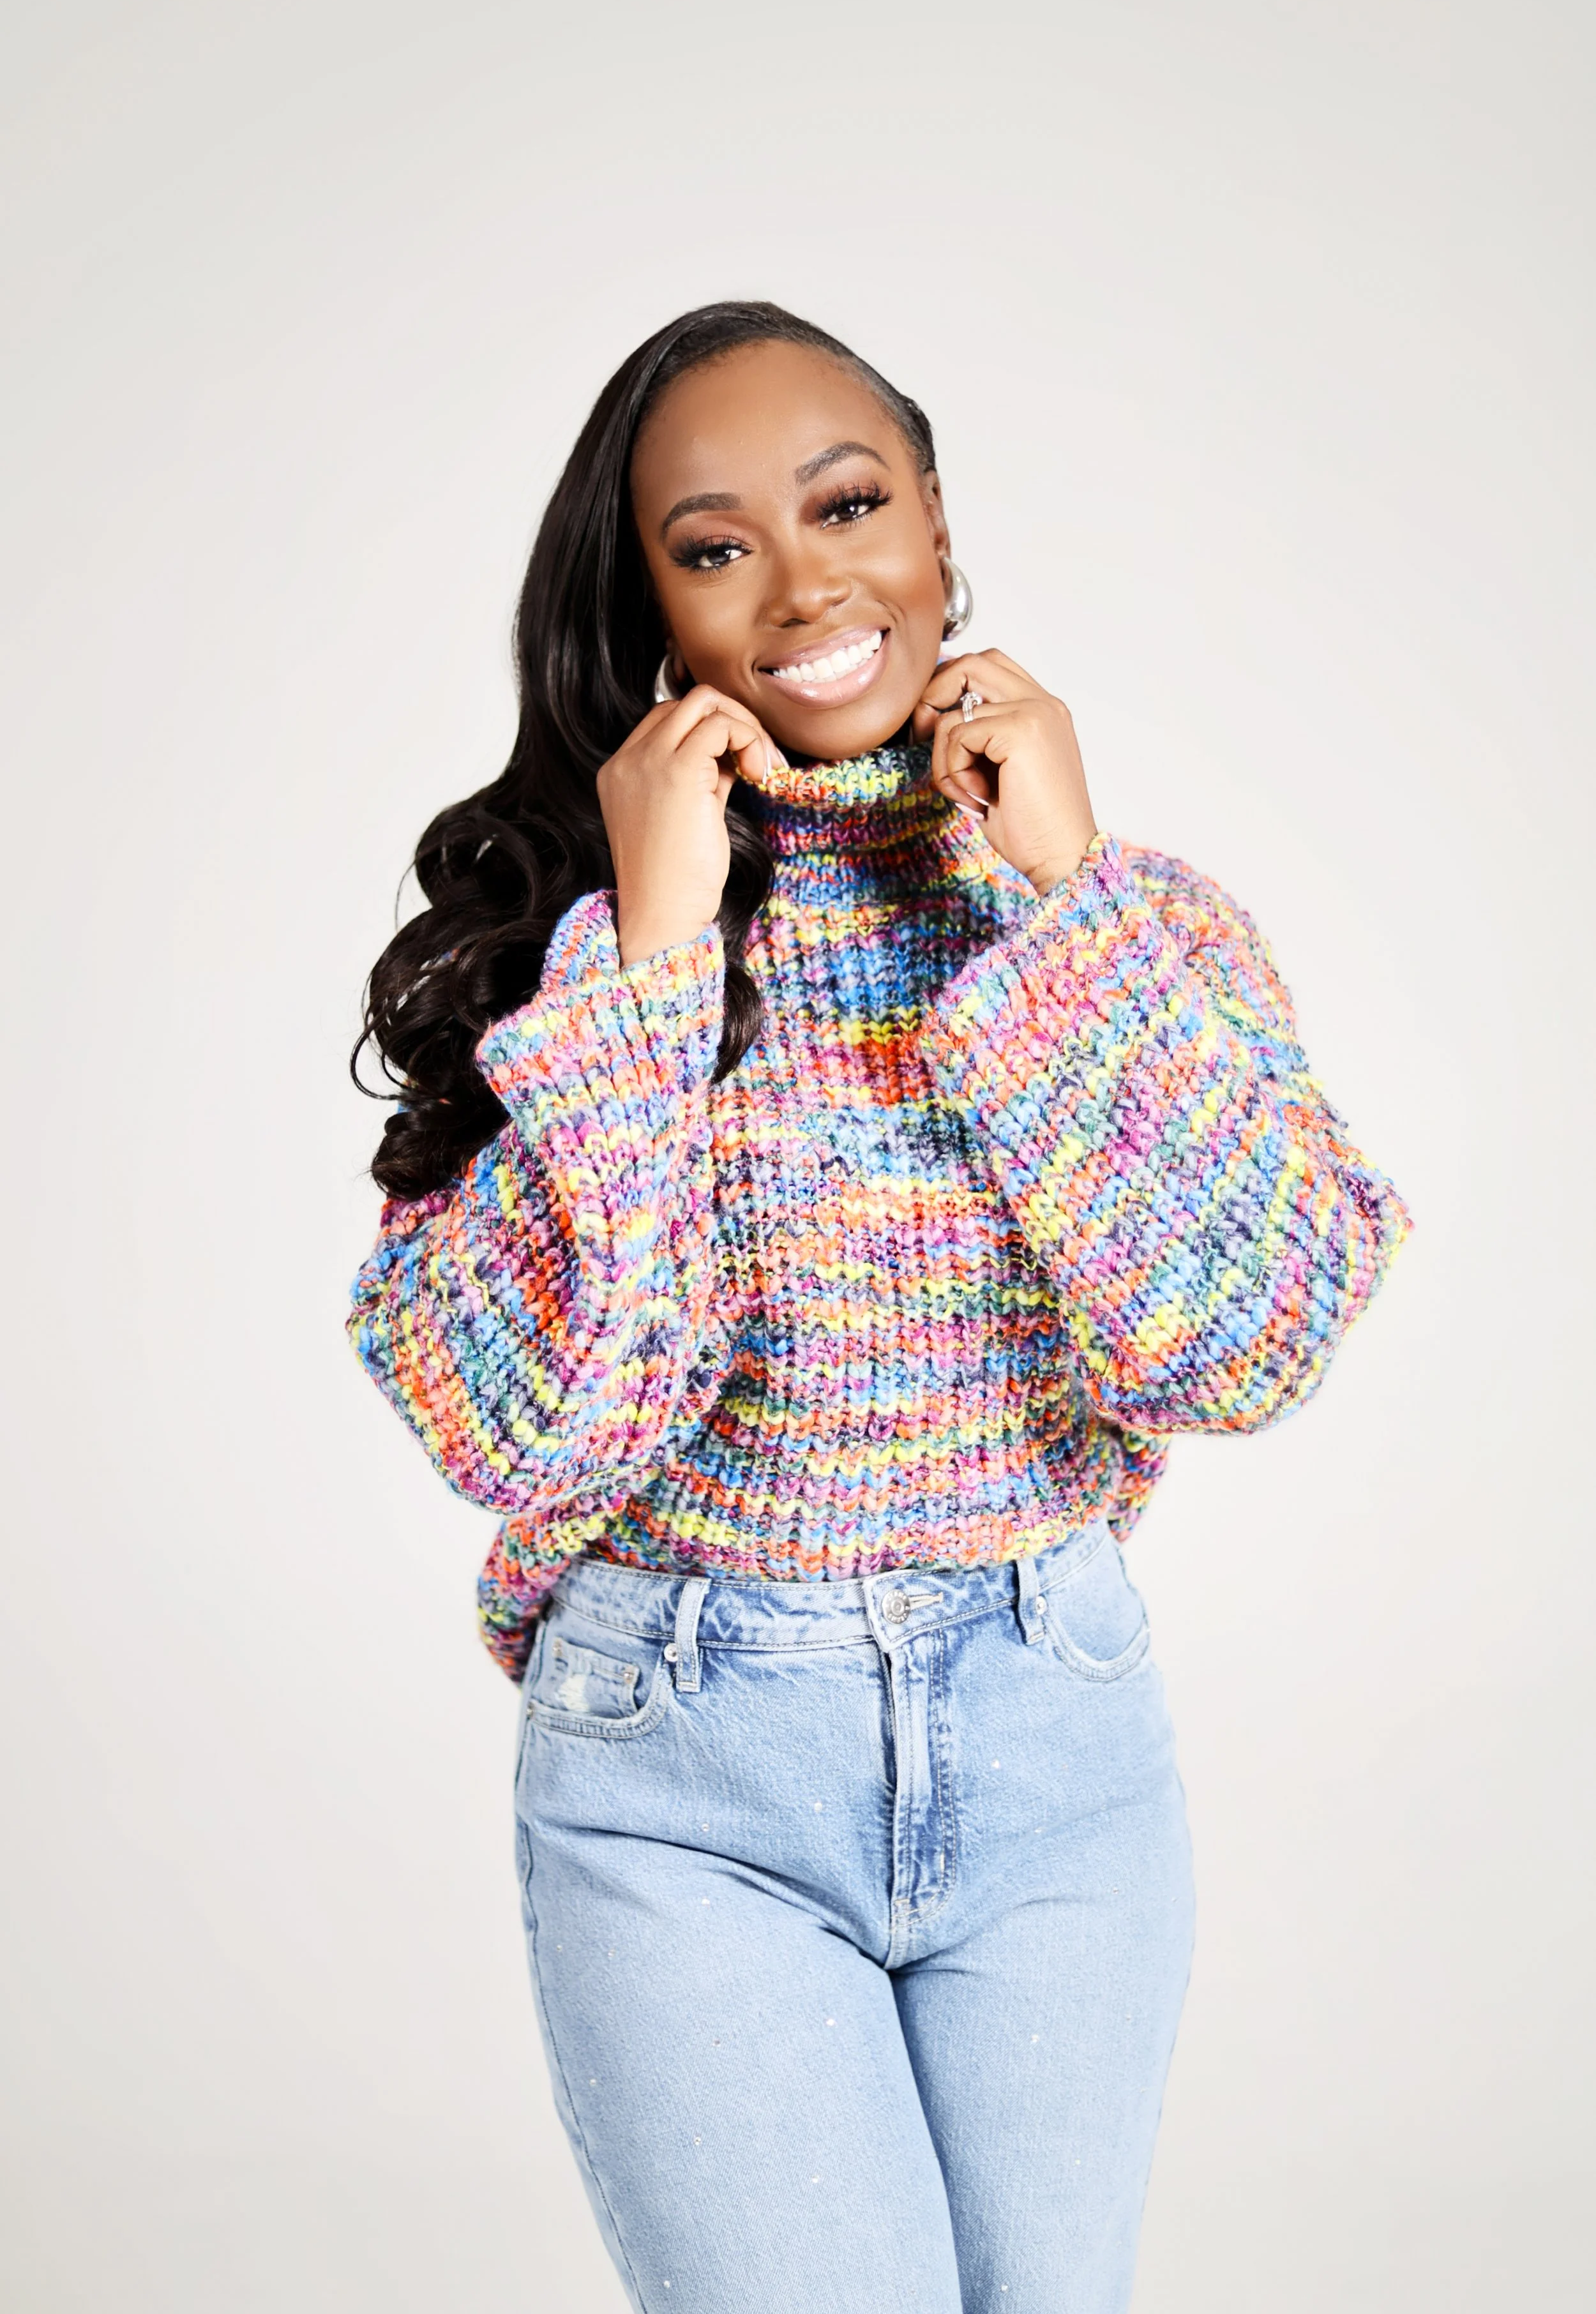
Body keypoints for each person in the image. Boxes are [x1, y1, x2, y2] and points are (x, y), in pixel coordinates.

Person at [348, 301, 1411, 2313]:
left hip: (1053, 1744)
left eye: (849, 505)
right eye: (715, 542)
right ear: (648, 607)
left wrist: (1067, 892)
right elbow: (521, 1426)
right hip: (687, 1772)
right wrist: (652, 968)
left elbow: (1247, 1332)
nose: (806, 580)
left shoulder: (1127, 915)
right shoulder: (578, 954)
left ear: (938, 531)